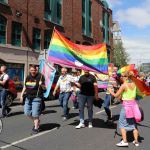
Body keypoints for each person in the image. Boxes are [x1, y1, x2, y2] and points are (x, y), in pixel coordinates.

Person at [109, 71, 140, 147]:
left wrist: (110, 91)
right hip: (134, 106)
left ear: (126, 77)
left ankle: (125, 141)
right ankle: (136, 141)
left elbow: (116, 95)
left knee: (122, 123)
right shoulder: (134, 84)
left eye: (122, 76)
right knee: (133, 124)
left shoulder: (124, 85)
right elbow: (127, 95)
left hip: (126, 107)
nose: (121, 77)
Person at [20, 65, 46, 134]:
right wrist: (21, 95)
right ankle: (37, 122)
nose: (33, 71)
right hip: (28, 97)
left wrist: (42, 85)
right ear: (29, 70)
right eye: (31, 70)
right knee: (26, 112)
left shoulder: (40, 76)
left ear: (36, 70)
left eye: (34, 70)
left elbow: (44, 89)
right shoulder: (28, 77)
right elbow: (25, 87)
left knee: (35, 114)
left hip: (37, 97)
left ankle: (36, 127)